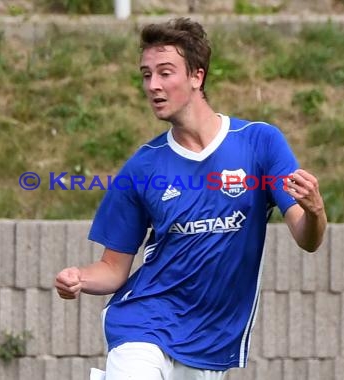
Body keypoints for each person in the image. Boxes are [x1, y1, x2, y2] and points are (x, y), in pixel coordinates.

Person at [55, 17, 327, 380]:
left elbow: (306, 238)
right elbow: (113, 269)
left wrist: (316, 211)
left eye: (165, 73)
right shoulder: (142, 166)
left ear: (197, 76)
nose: (153, 85)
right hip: (143, 325)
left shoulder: (260, 143)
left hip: (210, 344)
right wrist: (79, 277)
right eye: (146, 75)